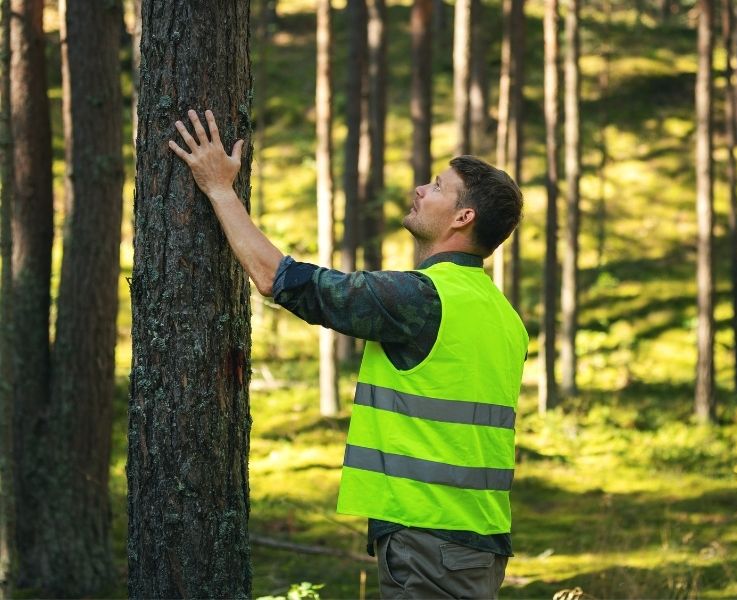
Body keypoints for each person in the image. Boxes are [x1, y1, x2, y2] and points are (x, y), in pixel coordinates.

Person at [168, 109, 528, 599]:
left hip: (429, 542)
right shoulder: (501, 314)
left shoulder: (423, 299)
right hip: (474, 541)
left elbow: (282, 279)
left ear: (464, 218)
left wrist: (219, 190)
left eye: (438, 186)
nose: (421, 189)